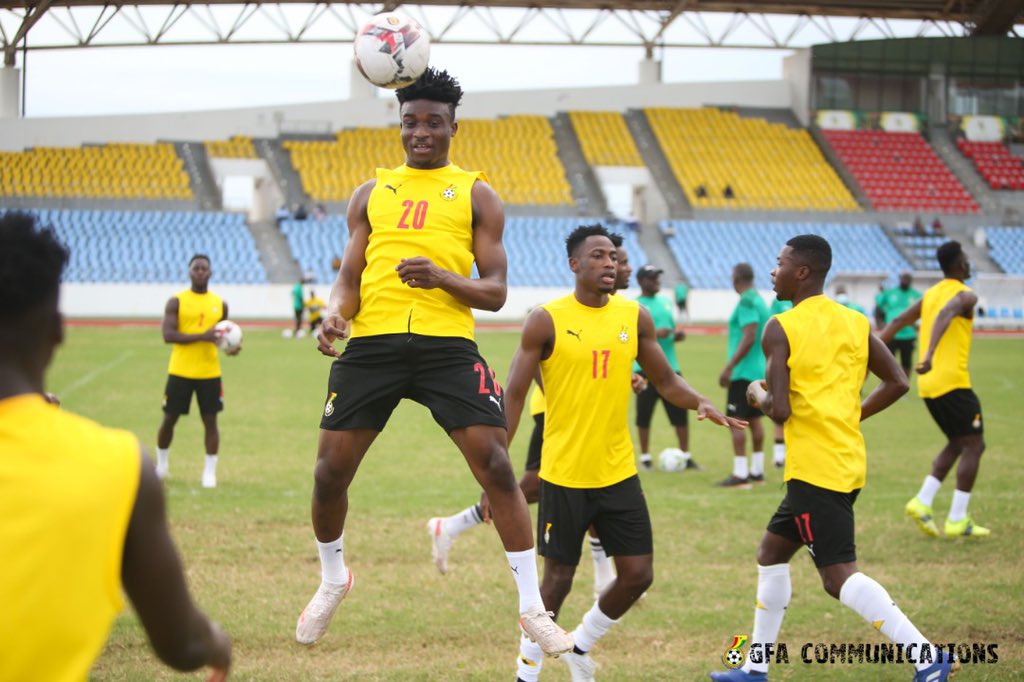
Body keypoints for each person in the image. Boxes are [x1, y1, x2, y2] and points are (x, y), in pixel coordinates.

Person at [295, 68, 572, 656]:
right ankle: (331, 578)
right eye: (410, 123)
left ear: (453, 127)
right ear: (401, 127)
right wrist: (336, 314)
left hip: (447, 347)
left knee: (497, 466)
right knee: (327, 474)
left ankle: (531, 608)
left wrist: (443, 277)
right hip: (371, 346)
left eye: (432, 123)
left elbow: (495, 291)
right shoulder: (371, 192)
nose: (420, 132)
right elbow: (349, 279)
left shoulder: (477, 193)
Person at [709, 235, 958, 682]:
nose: (773, 270)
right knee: (770, 553)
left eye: (780, 262)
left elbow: (779, 410)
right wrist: (852, 414)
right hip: (845, 461)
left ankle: (928, 657)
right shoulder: (855, 321)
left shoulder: (780, 327)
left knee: (837, 575)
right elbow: (897, 381)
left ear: (802, 271)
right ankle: (753, 667)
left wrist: (755, 394)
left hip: (814, 469)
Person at [504, 224, 744, 682]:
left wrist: (700, 401)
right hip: (564, 472)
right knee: (556, 582)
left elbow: (665, 380)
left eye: (613, 256)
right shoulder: (545, 319)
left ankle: (580, 646)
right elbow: (515, 394)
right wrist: (499, 458)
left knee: (638, 574)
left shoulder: (634, 317)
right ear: (574, 264)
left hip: (618, 471)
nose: (609, 264)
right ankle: (526, 674)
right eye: (597, 256)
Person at [0, 212, 232, 681]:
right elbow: (183, 643)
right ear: (58, 331)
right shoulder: (117, 465)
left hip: (208, 373)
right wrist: (217, 643)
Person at [424, 235, 636, 598]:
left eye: (620, 260)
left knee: (590, 488)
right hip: (556, 419)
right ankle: (453, 525)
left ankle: (603, 575)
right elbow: (542, 370)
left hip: (581, 422)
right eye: (614, 259)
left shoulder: (621, 314)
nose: (621, 267)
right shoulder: (561, 314)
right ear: (580, 263)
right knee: (538, 488)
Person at [880, 241, 988, 538]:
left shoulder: (930, 295)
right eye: (966, 259)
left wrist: (867, 357)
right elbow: (946, 314)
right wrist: (928, 354)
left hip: (928, 386)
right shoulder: (965, 295)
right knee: (975, 445)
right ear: (959, 264)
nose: (968, 264)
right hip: (952, 382)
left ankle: (923, 501)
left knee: (958, 441)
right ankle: (957, 518)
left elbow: (900, 320)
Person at [156, 254, 239, 488]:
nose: (200, 272)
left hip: (209, 372)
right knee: (169, 419)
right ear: (189, 271)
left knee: (210, 421)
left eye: (204, 268)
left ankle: (209, 473)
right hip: (180, 370)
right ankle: (161, 465)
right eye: (196, 268)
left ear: (210, 273)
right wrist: (202, 336)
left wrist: (231, 349)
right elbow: (168, 335)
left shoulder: (220, 304)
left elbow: (222, 338)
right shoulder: (177, 301)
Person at [633, 264, 701, 472]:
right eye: (652, 279)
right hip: (643, 369)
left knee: (680, 412)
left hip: (670, 367)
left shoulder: (665, 302)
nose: (657, 282)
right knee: (644, 415)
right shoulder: (634, 307)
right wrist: (654, 335)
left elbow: (669, 331)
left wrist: (675, 336)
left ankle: (686, 456)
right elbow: (628, 340)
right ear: (642, 281)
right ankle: (645, 458)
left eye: (658, 278)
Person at [717, 263, 770, 488]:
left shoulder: (747, 301)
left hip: (743, 373)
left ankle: (740, 475)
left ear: (736, 277)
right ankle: (757, 472)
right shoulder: (759, 300)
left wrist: (729, 367)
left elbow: (749, 335)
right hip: (759, 371)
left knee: (735, 421)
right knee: (755, 420)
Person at [876, 272, 922, 378]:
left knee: (906, 362)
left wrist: (917, 326)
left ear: (911, 280)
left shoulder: (916, 295)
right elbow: (878, 306)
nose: (905, 280)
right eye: (903, 278)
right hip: (891, 334)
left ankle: (905, 384)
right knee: (887, 362)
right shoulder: (890, 293)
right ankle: (888, 383)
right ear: (899, 279)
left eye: (907, 278)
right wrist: (880, 324)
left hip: (908, 335)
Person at [766, 296, 791, 469]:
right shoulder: (777, 304)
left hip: (804, 364)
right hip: (783, 363)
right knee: (779, 408)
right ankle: (779, 455)